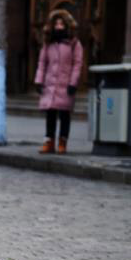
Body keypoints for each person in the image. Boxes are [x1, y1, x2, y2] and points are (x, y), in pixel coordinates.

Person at [34, 9, 83, 154]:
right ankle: (49, 142)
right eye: (56, 24)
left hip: (65, 85)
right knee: (50, 114)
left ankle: (63, 142)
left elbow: (77, 64)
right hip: (50, 84)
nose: (58, 26)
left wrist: (73, 83)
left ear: (67, 25)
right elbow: (42, 63)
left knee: (64, 114)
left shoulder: (74, 43)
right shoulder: (48, 43)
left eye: (61, 24)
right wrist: (39, 80)